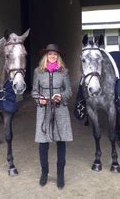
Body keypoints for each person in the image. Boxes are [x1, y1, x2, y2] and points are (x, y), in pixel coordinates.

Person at [31, 44, 73, 189]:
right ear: (46, 56)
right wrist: (39, 99)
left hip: (60, 111)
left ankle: (60, 175)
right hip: (43, 111)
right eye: (50, 54)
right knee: (43, 145)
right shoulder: (38, 71)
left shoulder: (64, 72)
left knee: (61, 143)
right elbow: (34, 91)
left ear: (58, 56)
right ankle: (44, 173)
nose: (53, 56)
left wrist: (60, 96)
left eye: (55, 54)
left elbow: (69, 91)